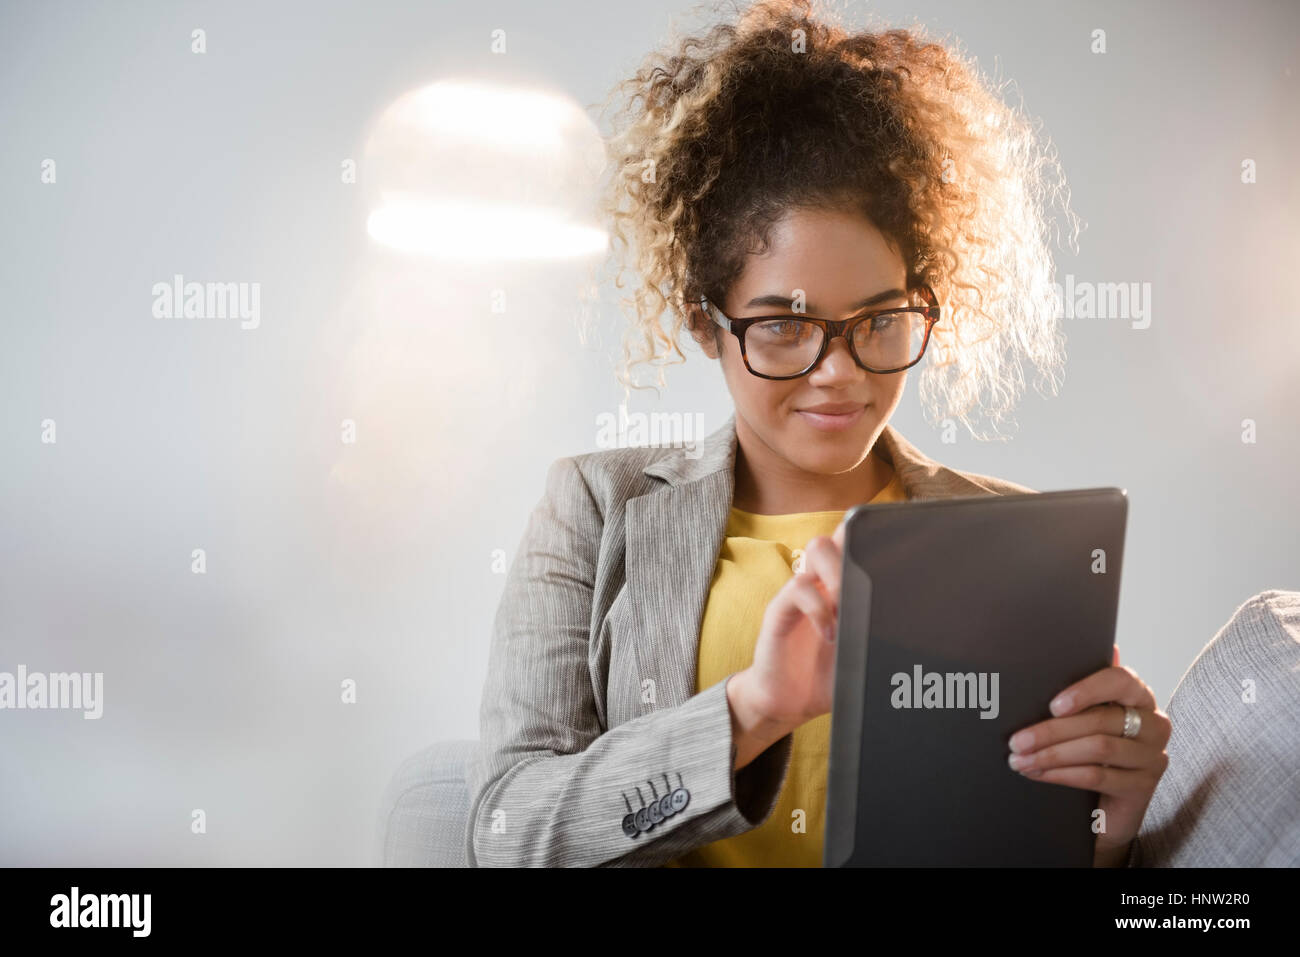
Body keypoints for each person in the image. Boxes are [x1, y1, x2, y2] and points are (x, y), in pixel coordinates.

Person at [465, 0, 1170, 867]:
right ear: (706, 323)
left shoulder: (1020, 541)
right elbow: (506, 832)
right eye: (785, 327)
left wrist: (1106, 832)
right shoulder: (594, 506)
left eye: (879, 320)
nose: (838, 371)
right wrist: (754, 708)